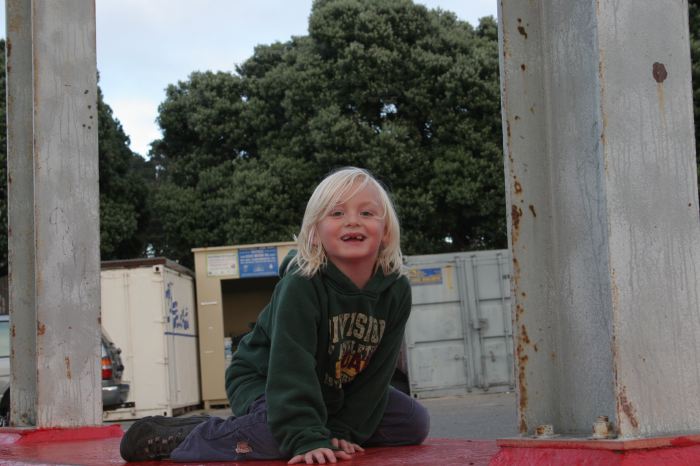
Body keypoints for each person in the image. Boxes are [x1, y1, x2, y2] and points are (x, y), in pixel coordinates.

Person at [120, 167, 429, 464]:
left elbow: (377, 375)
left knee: (412, 422)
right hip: (266, 379)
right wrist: (306, 437)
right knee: (282, 437)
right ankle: (186, 435)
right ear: (315, 233)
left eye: (367, 213)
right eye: (337, 213)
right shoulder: (302, 284)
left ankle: (308, 423)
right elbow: (291, 367)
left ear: (386, 231)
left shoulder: (396, 290)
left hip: (332, 391)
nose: (353, 222)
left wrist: (342, 431)